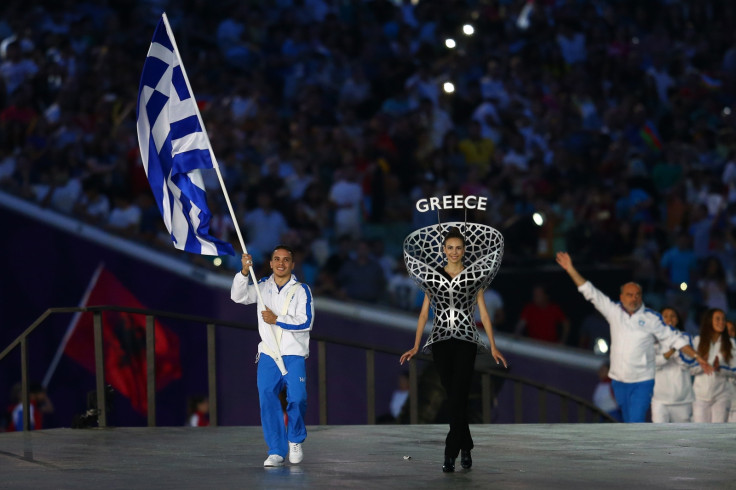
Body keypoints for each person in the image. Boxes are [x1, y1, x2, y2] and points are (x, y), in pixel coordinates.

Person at [555, 251, 712, 422]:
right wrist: (570, 268)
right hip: (619, 380)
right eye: (630, 295)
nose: (634, 298)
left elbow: (675, 339)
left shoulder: (651, 318)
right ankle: (634, 448)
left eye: (637, 295)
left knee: (635, 422)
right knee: (629, 423)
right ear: (621, 297)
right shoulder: (613, 311)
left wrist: (697, 357)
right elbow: (590, 292)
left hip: (642, 381)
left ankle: (638, 448)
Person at [401, 226, 507, 473]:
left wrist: (493, 346)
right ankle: (466, 445)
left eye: (458, 248)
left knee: (457, 395)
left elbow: (485, 314)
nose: (454, 252)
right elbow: (424, 313)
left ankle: (451, 453)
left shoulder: (473, 276)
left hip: (466, 341)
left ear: (464, 250)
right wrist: (416, 345)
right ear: (443, 250)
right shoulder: (433, 276)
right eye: (450, 247)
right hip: (440, 342)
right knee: (454, 396)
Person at [231, 245, 314, 467]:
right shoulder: (262, 287)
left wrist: (277, 319)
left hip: (293, 353)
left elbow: (306, 322)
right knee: (267, 398)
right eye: (276, 259)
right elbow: (237, 296)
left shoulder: (301, 290)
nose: (281, 263)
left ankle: (294, 439)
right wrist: (244, 272)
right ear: (270, 263)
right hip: (268, 353)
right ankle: (276, 450)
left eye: (286, 260)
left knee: (298, 398)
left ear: (292, 264)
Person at [683, 308, 736, 423]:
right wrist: (702, 365)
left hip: (722, 395)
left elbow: (734, 369)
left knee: (717, 434)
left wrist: (720, 368)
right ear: (709, 321)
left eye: (723, 319)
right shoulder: (698, 341)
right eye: (717, 319)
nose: (721, 322)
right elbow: (691, 369)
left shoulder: (730, 343)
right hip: (700, 396)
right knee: (701, 434)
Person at [651, 307, 694, 423]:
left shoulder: (685, 338)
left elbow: (687, 363)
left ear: (677, 319)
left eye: (673, 316)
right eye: (665, 316)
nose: (669, 319)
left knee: (683, 438)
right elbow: (653, 364)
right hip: (659, 398)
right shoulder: (651, 339)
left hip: (681, 399)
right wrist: (672, 350)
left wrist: (676, 344)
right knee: (659, 436)